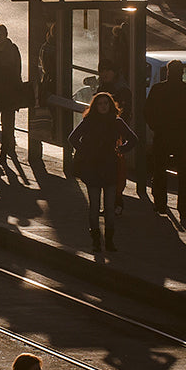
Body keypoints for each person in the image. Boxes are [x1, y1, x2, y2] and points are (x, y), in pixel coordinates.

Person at [68, 93, 138, 252]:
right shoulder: (92, 121)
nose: (103, 106)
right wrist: (120, 149)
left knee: (107, 207)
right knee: (95, 206)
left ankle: (107, 240)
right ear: (95, 106)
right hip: (96, 167)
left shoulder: (116, 121)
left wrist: (121, 149)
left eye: (106, 103)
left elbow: (133, 139)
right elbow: (72, 137)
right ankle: (97, 240)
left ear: (110, 104)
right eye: (100, 104)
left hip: (107, 167)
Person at [143, 60, 186, 215]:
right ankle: (183, 208)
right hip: (183, 136)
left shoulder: (158, 89)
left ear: (167, 71)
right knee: (184, 173)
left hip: (162, 135)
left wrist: (154, 126)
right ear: (183, 73)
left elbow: (147, 110)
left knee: (159, 171)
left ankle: (160, 205)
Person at [0, 23, 23, 162]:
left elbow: (17, 71)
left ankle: (4, 153)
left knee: (8, 125)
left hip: (9, 92)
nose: (0, 37)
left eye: (2, 34)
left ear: (6, 34)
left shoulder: (12, 49)